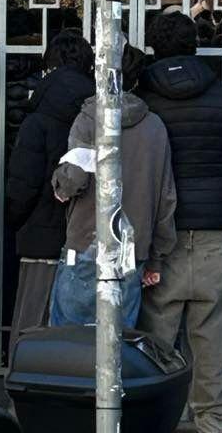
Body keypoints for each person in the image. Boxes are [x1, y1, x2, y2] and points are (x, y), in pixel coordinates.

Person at [137, 12, 222, 433]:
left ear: (154, 47)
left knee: (155, 341)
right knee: (212, 337)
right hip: (213, 231)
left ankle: (154, 419)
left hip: (161, 236)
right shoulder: (221, 95)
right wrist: (221, 193)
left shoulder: (144, 99)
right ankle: (213, 420)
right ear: (195, 45)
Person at [49, 45, 177, 329]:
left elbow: (74, 178)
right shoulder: (155, 126)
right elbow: (166, 198)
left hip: (87, 239)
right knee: (118, 339)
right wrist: (155, 259)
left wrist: (59, 185)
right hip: (132, 248)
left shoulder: (89, 119)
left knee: (68, 341)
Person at [6, 30, 95, 348]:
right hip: (87, 235)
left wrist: (15, 221)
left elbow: (23, 182)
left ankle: (25, 377)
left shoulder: (38, 118)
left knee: (32, 323)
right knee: (79, 331)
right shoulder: (97, 113)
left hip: (40, 235)